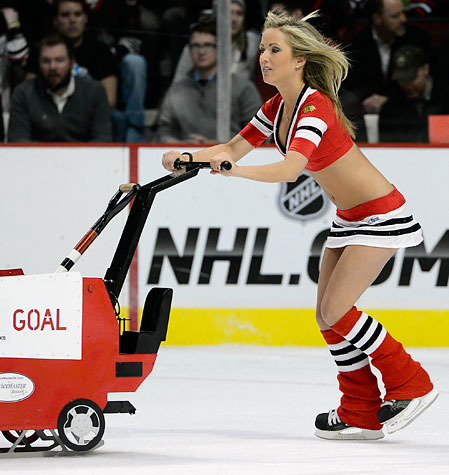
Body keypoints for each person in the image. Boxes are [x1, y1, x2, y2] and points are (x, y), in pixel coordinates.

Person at [162, 9, 437, 440]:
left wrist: (233, 170)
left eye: (275, 50)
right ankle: (360, 409)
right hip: (349, 218)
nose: (264, 58)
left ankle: (412, 382)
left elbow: (290, 169)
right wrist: (185, 157)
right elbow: (233, 146)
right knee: (326, 318)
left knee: (336, 311)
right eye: (261, 50)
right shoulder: (276, 108)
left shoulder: (315, 106)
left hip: (381, 214)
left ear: (299, 61)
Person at [52, 0, 145, 142]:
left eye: (77, 14)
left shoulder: (100, 50)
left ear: (86, 18)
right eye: (65, 15)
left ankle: (135, 131)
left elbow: (109, 101)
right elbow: (31, 96)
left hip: (91, 114)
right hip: (52, 113)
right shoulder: (45, 52)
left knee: (117, 118)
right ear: (55, 20)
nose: (72, 20)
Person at [158, 17, 262, 143]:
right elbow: (163, 132)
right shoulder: (177, 90)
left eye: (208, 45)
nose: (201, 51)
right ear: (189, 50)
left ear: (220, 49)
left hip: (232, 160)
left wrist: (215, 145)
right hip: (188, 158)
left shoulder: (243, 88)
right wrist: (182, 145)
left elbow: (260, 133)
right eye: (196, 46)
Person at [7, 34, 111, 142]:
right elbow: (18, 142)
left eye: (59, 60)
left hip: (82, 157)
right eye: (46, 61)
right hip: (37, 157)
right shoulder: (24, 93)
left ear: (72, 63)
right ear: (38, 64)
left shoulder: (94, 91)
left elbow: (102, 141)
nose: (53, 67)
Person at [344, 0, 431, 115]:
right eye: (395, 16)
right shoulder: (357, 45)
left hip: (407, 111)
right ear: (377, 18)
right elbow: (353, 84)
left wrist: (388, 100)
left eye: (402, 13)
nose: (403, 19)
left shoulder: (417, 39)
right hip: (367, 112)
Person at [173, 1, 261, 84]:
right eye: (229, 13)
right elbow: (179, 81)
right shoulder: (199, 42)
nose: (234, 19)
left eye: (239, 13)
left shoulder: (251, 42)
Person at [379, 44, 449, 143]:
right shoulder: (393, 103)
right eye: (402, 80)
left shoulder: (445, 97)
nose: (407, 85)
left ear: (426, 69)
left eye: (411, 78)